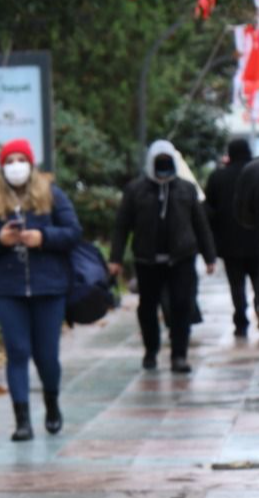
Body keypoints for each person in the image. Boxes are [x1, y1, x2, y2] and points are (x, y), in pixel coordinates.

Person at [0, 139, 81, 442]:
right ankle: (22, 421)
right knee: (17, 352)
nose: (15, 165)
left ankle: (52, 405)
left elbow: (73, 232)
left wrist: (42, 237)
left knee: (47, 356)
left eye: (21, 159)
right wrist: (0, 240)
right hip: (8, 290)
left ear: (31, 164)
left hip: (49, 288)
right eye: (10, 160)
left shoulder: (52, 195)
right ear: (2, 167)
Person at [109, 139, 216, 374]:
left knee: (182, 305)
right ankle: (151, 349)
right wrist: (115, 258)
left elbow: (200, 225)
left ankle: (179, 354)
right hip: (147, 260)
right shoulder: (136, 190)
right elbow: (122, 226)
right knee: (147, 308)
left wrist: (210, 256)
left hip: (182, 258)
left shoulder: (186, 189)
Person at [205, 139, 258, 338]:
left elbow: (209, 212)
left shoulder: (218, 177)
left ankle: (241, 322)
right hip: (255, 242)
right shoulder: (255, 173)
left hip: (230, 245)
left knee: (236, 286)